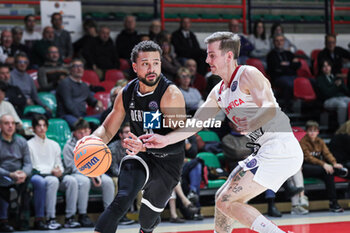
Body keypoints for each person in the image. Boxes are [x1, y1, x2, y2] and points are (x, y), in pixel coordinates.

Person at [140, 32, 303, 233]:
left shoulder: (248, 74)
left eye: (212, 55)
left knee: (227, 200)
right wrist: (164, 139)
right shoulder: (218, 92)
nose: (207, 60)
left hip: (280, 146)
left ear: (228, 56)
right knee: (222, 199)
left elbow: (269, 107)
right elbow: (195, 123)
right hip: (265, 150)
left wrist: (253, 120)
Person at [75, 40, 187, 233]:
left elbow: (179, 143)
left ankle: (150, 222)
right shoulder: (127, 93)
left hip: (167, 163)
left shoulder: (171, 95)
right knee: (123, 198)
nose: (152, 68)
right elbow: (108, 129)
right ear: (135, 67)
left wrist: (147, 146)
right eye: (145, 63)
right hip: (139, 155)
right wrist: (91, 141)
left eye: (156, 63)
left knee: (146, 220)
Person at [28, 115, 81, 229]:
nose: (42, 128)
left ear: (47, 127)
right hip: (41, 175)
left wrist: (59, 171)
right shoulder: (29, 145)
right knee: (53, 181)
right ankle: (50, 218)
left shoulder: (54, 144)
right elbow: (33, 166)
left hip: (55, 175)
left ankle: (70, 218)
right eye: (39, 125)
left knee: (72, 181)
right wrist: (51, 171)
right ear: (33, 128)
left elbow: (59, 164)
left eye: (44, 125)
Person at [63, 118, 114, 227]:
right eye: (80, 133)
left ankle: (109, 214)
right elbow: (71, 167)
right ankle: (82, 215)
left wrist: (97, 174)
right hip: (76, 174)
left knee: (108, 181)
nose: (83, 135)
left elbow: (101, 162)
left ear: (90, 131)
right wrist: (92, 175)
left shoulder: (95, 143)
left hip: (95, 173)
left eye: (85, 132)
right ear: (75, 133)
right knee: (84, 181)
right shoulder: (68, 146)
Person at [300, 120, 345, 212]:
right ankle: (339, 172)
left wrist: (334, 163)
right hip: (305, 167)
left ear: (318, 132)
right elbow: (308, 158)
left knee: (329, 173)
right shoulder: (303, 141)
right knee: (327, 170)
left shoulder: (320, 141)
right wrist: (324, 164)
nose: (312, 133)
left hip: (318, 168)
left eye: (314, 130)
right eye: (310, 130)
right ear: (306, 131)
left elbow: (327, 153)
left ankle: (333, 203)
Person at [0, 114, 32, 231]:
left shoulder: (22, 141)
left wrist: (24, 173)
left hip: (20, 176)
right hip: (3, 175)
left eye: (13, 123)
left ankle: (23, 220)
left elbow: (28, 163)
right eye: (6, 123)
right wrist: (10, 174)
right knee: (6, 185)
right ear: (0, 125)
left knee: (29, 184)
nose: (10, 126)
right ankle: (4, 221)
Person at [106, 122, 138, 225]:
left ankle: (143, 215)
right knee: (117, 182)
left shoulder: (137, 147)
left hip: (132, 175)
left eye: (130, 132)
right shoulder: (113, 148)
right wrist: (126, 176)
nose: (129, 134)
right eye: (126, 132)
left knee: (143, 183)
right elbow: (113, 168)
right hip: (114, 175)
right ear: (120, 135)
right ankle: (120, 215)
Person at [56, 58, 103, 128]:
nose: (79, 69)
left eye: (81, 66)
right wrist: (80, 118)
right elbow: (68, 105)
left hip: (83, 116)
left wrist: (98, 102)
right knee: (81, 125)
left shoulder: (84, 85)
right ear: (70, 69)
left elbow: (91, 100)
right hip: (68, 115)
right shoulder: (65, 83)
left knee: (106, 117)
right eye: (76, 66)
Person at [267, 34, 301, 111]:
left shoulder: (289, 53)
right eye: (277, 41)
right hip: (278, 78)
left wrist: (285, 65)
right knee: (289, 84)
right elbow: (275, 69)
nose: (279, 42)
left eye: (281, 40)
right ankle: (288, 107)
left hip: (292, 76)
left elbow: (298, 64)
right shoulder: (271, 55)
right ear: (274, 42)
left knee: (307, 81)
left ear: (284, 42)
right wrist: (290, 65)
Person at [316, 59, 350, 126]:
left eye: (328, 65)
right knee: (342, 105)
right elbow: (327, 93)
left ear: (331, 67)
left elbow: (347, 92)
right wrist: (336, 86)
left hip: (342, 97)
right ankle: (342, 128)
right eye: (324, 66)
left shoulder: (336, 77)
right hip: (328, 100)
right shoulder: (320, 79)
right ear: (321, 68)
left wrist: (342, 84)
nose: (326, 68)